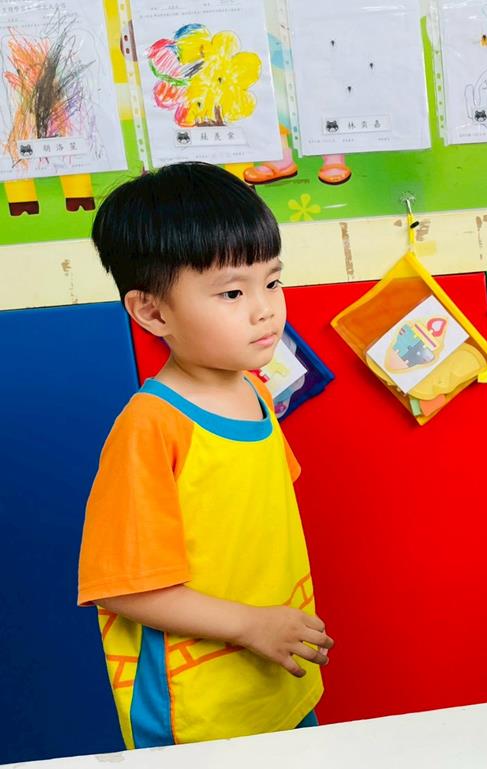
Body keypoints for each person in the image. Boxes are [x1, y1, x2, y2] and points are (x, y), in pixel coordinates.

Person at [78, 162, 331, 748]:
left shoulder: (255, 390)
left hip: (276, 677)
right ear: (152, 312)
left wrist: (270, 627)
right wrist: (250, 624)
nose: (265, 309)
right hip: (196, 708)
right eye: (233, 292)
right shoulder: (150, 427)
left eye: (273, 282)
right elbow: (123, 587)